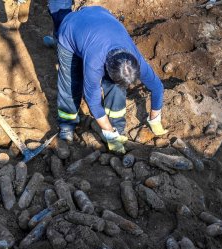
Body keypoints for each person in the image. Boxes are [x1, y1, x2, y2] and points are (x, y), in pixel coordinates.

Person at [49, 4, 168, 154]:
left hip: (100, 17)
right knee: (72, 81)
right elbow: (93, 101)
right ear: (105, 68)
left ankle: (117, 125)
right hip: (71, 30)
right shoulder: (94, 63)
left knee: (117, 87)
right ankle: (67, 124)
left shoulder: (135, 60)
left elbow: (157, 87)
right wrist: (109, 134)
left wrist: (155, 119)